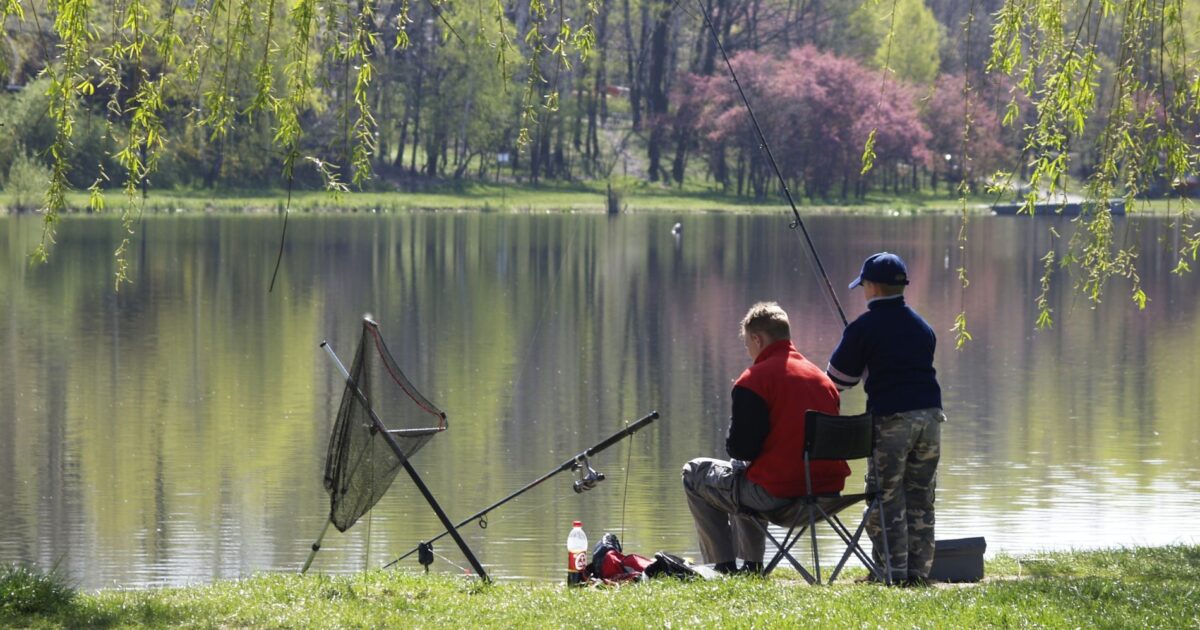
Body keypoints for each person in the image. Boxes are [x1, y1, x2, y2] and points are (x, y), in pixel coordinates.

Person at [682, 302, 848, 574]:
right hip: (827, 494)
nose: (748, 351)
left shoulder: (754, 380)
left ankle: (720, 566)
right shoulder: (823, 380)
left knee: (695, 472)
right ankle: (750, 566)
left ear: (757, 339)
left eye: (747, 344)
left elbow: (741, 447)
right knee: (743, 475)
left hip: (779, 497)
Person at [826, 252, 945, 587]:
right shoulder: (923, 328)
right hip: (932, 417)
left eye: (863, 285)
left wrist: (858, 353)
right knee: (921, 496)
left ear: (873, 287)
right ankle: (917, 574)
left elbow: (837, 381)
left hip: (892, 419)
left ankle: (890, 573)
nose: (863, 290)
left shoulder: (863, 328)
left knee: (885, 497)